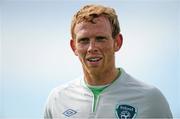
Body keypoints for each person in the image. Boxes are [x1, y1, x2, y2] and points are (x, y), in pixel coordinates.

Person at [44, 4, 172, 119]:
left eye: (100, 39)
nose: (92, 48)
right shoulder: (58, 99)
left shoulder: (150, 98)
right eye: (84, 40)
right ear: (74, 47)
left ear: (117, 42)